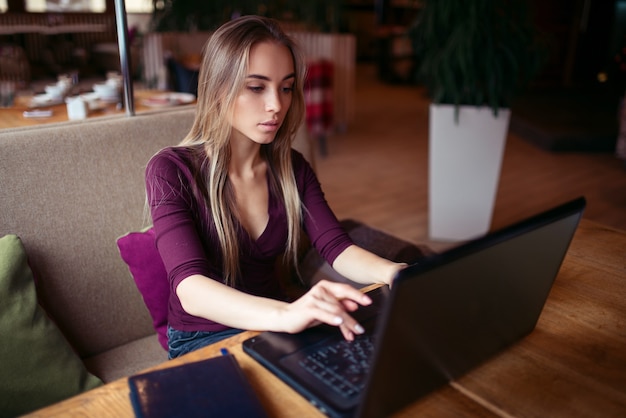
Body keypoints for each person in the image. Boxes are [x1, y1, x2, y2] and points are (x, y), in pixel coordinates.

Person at [145, 15, 407, 359]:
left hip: (275, 323)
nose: (276, 105)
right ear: (218, 89)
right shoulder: (170, 170)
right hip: (202, 338)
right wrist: (287, 314)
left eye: (285, 87)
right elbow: (190, 290)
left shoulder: (292, 168)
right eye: (256, 87)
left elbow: (337, 247)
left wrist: (397, 273)